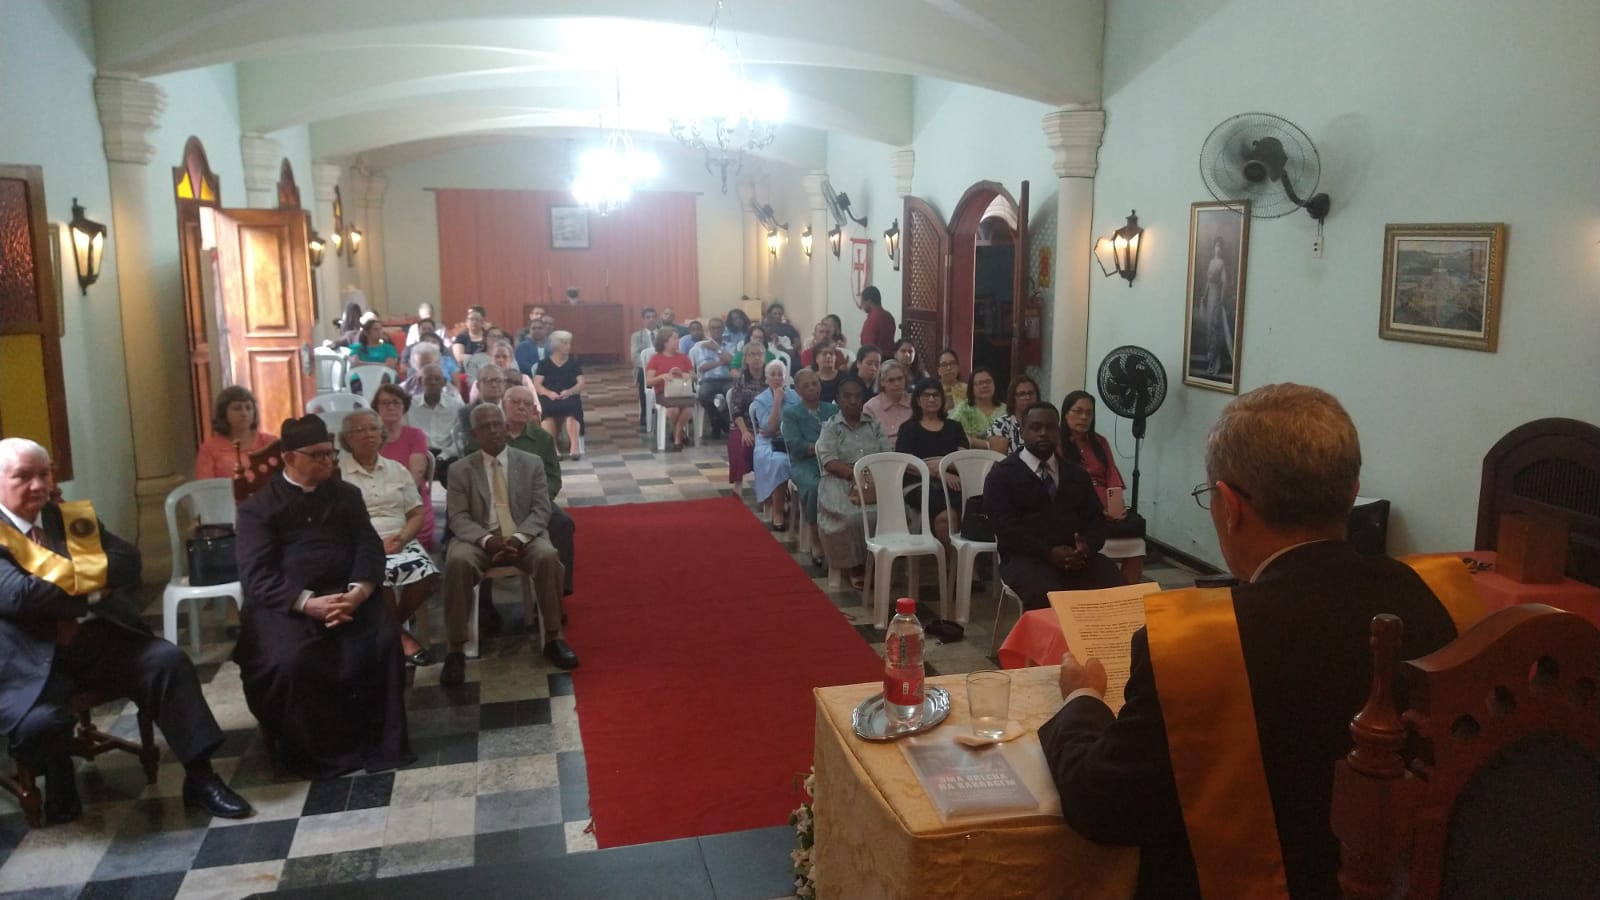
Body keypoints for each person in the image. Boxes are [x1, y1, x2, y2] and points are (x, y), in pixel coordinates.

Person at [1039, 384, 1475, 900]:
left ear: (1230, 505)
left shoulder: (1197, 645)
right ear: (1352, 491)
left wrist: (1082, 697)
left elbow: (1102, 805)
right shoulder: (1443, 596)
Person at [0, 438, 252, 823]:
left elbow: (127, 560)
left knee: (167, 661)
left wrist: (72, 587)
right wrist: (92, 592)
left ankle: (201, 777)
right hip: (29, 658)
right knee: (42, 725)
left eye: (43, 474)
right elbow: (21, 596)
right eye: (23, 476)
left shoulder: (65, 517)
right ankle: (60, 779)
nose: (38, 486)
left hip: (96, 641)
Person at [234, 416, 412, 780]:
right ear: (289, 458)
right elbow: (256, 575)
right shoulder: (257, 509)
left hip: (348, 596)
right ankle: (318, 753)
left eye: (330, 454)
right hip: (288, 606)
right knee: (291, 660)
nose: (328, 462)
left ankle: (379, 744)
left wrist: (359, 591)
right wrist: (307, 603)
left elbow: (368, 546)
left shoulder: (346, 495)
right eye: (316, 455)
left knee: (381, 642)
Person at [441, 404, 575, 685]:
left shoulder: (531, 463)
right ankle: (455, 649)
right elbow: (458, 517)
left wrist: (519, 538)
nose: (492, 431)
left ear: (505, 427)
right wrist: (487, 540)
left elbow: (541, 509)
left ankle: (553, 637)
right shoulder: (459, 470)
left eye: (497, 424)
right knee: (457, 561)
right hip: (478, 538)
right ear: (474, 434)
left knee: (548, 556)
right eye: (485, 427)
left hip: (524, 536)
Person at [982, 402, 1123, 611]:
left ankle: (1108, 633)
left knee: (1117, 587)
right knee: (1046, 595)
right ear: (1022, 432)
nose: (1043, 433)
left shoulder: (1076, 474)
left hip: (1076, 557)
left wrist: (1086, 546)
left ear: (1058, 431)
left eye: (1050, 428)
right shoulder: (1002, 476)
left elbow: (1096, 519)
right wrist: (1048, 552)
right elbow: (1004, 528)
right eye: (1035, 427)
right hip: (1026, 558)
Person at [337, 410, 440, 667]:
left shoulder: (397, 469)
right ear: (347, 438)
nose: (369, 434)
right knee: (377, 574)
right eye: (360, 430)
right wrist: (372, 545)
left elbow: (416, 513)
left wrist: (403, 538)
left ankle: (389, 628)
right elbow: (334, 522)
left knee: (429, 575)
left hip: (399, 538)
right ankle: (401, 638)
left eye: (373, 428)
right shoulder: (337, 473)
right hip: (359, 543)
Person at [815, 376, 891, 590]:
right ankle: (856, 566)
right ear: (838, 399)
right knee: (851, 518)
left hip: (873, 479)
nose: (853, 401)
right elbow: (829, 462)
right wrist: (855, 474)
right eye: (847, 396)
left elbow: (886, 454)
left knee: (893, 515)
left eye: (857, 396)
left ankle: (880, 562)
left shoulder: (874, 425)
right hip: (840, 480)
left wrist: (870, 475)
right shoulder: (831, 427)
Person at [1061, 390, 1144, 582]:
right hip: (1080, 514)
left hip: (1108, 512)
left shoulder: (1100, 442)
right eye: (1078, 411)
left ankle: (1126, 595)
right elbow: (1064, 488)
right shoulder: (1058, 444)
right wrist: (1097, 510)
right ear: (1065, 413)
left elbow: (1112, 477)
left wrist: (1116, 507)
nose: (1084, 417)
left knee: (1138, 541)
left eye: (1089, 413)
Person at [895, 377, 970, 548]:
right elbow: (907, 464)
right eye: (926, 395)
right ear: (917, 400)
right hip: (917, 485)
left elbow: (963, 459)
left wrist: (940, 463)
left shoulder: (954, 427)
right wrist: (941, 471)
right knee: (947, 512)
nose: (931, 399)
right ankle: (952, 562)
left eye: (936, 395)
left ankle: (955, 561)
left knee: (950, 516)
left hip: (954, 484)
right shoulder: (908, 428)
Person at [782, 369, 838, 569]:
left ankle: (842, 536)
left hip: (833, 460)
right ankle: (816, 539)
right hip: (805, 463)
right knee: (815, 487)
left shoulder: (832, 410)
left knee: (847, 481)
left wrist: (829, 450)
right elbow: (796, 446)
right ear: (797, 390)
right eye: (806, 386)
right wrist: (822, 448)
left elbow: (841, 436)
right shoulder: (791, 414)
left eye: (815, 383)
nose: (812, 388)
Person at [372, 383, 434, 549]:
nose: (391, 407)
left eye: (396, 402)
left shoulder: (416, 435)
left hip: (411, 501)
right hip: (378, 501)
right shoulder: (371, 438)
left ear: (404, 407)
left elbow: (416, 474)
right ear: (376, 408)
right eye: (385, 403)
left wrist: (391, 499)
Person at [749, 360, 799, 527]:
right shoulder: (761, 400)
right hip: (768, 443)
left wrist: (780, 429)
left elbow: (800, 421)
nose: (777, 378)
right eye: (773, 374)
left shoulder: (795, 396)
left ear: (785, 378)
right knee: (780, 462)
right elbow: (770, 428)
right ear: (767, 379)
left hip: (791, 439)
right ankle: (778, 512)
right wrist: (777, 401)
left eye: (780, 374)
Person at [194, 386, 279, 482]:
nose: (244, 413)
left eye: (248, 408)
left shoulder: (270, 442)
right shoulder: (209, 449)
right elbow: (205, 487)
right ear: (223, 413)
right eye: (237, 408)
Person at [407, 363, 464, 483]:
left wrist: (442, 457)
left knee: (456, 471)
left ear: (444, 382)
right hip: (417, 454)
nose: (433, 382)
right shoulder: (409, 406)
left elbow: (460, 437)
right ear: (419, 381)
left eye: (437, 379)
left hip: (447, 455)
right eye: (428, 378)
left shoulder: (456, 405)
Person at [535, 330, 585, 460]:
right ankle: (553, 448)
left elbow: (581, 383)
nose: (568, 346)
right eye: (565, 343)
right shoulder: (544, 363)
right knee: (547, 411)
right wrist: (548, 393)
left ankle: (574, 446)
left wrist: (570, 391)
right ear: (556, 345)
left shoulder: (574, 363)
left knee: (572, 408)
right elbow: (537, 384)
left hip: (568, 394)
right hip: (550, 396)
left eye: (569, 343)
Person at [726, 341, 769, 488]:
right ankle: (737, 487)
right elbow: (736, 410)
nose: (756, 358)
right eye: (752, 355)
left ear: (764, 357)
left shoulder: (770, 378)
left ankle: (770, 487)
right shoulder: (740, 380)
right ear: (746, 359)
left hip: (766, 425)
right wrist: (745, 431)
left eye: (759, 354)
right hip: (743, 424)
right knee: (740, 443)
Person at [646, 326, 696, 451]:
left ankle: (677, 434)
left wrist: (683, 374)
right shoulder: (656, 359)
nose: (678, 341)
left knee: (688, 408)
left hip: (682, 392)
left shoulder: (683, 357)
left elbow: (694, 377)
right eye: (674, 338)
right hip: (664, 392)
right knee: (672, 410)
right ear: (665, 341)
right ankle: (680, 436)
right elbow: (649, 381)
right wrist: (662, 377)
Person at [690, 317, 735, 438]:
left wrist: (716, 349)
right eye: (713, 328)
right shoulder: (701, 347)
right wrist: (722, 361)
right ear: (709, 330)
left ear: (723, 329)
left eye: (718, 327)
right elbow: (703, 367)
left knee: (733, 394)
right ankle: (720, 421)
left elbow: (732, 362)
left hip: (727, 380)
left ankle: (718, 423)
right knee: (704, 395)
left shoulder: (731, 345)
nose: (716, 330)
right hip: (708, 380)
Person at [454, 363, 508, 456]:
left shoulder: (509, 407)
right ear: (478, 385)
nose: (494, 384)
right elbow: (470, 443)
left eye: (498, 380)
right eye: (488, 380)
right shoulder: (467, 411)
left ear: (504, 384)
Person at [984, 375, 1041, 456]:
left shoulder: (1044, 422)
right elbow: (999, 459)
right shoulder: (1002, 424)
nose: (1027, 397)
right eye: (1022, 394)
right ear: (1013, 398)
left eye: (1031, 393)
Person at [949, 366, 1005, 448]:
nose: (985, 385)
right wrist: (988, 445)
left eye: (988, 382)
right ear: (971, 388)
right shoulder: (963, 408)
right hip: (970, 454)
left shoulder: (1006, 409)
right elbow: (953, 434)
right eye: (979, 383)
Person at [1201, 239, 1234, 377]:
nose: (1218, 249)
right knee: (1209, 325)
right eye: (1217, 246)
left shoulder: (1221, 263)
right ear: (1213, 247)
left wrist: (1221, 300)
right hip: (1210, 297)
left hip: (1216, 296)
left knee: (1216, 328)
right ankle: (1210, 356)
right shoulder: (1211, 262)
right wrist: (1204, 296)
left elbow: (1224, 283)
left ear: (1222, 249)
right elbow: (1208, 282)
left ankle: (1215, 362)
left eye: (1220, 247)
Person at [862, 359, 912, 443]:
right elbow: (868, 439)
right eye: (891, 380)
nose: (897, 384)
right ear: (882, 382)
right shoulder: (870, 407)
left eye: (900, 379)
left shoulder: (915, 402)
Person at [630, 307, 659, 430]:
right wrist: (648, 366)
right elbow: (634, 356)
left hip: (662, 367)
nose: (651, 319)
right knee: (643, 375)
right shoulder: (637, 336)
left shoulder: (663, 334)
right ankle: (645, 413)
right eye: (648, 317)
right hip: (645, 368)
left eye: (653, 317)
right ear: (643, 320)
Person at [859, 285, 895, 354]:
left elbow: (868, 347)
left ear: (869, 301)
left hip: (876, 358)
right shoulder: (889, 316)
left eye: (862, 302)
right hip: (890, 357)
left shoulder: (872, 319)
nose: (861, 305)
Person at [515, 315, 551, 380]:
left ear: (545, 330)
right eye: (533, 328)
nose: (536, 330)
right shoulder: (522, 346)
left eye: (540, 328)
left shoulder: (552, 345)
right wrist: (539, 370)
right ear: (529, 331)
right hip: (529, 378)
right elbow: (522, 364)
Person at [814, 335, 845, 403]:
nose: (828, 356)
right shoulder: (812, 379)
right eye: (824, 354)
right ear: (816, 358)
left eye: (831, 354)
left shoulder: (844, 377)